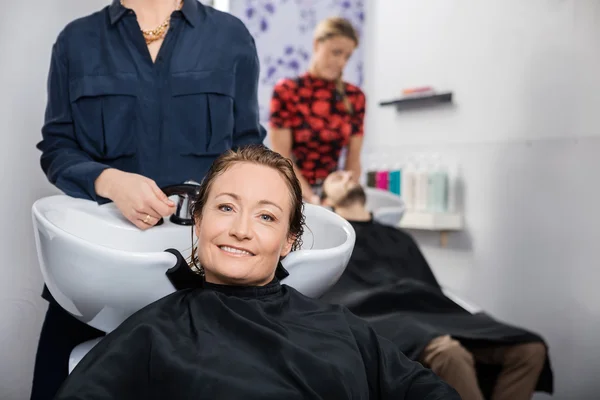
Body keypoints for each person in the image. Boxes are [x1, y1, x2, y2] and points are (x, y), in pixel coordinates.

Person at [53, 145, 459, 399]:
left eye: (266, 216)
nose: (241, 230)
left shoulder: (341, 328)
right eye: (226, 207)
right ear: (198, 220)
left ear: (288, 240)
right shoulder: (153, 333)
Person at [32, 1, 266, 398]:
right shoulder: (75, 41)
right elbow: (57, 149)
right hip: (97, 271)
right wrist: (109, 180)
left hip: (204, 271)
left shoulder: (230, 36)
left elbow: (250, 152)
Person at [318, 171, 555, 400]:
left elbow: (428, 285)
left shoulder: (399, 236)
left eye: (350, 175)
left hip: (431, 310)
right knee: (449, 354)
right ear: (325, 200)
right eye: (338, 178)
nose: (348, 176)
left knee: (529, 348)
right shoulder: (332, 242)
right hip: (376, 315)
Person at [269, 17, 365, 205]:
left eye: (347, 56)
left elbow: (353, 159)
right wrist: (311, 198)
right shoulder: (287, 91)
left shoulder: (355, 97)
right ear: (316, 45)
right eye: (336, 52)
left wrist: (343, 196)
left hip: (333, 197)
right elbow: (282, 157)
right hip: (291, 193)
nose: (341, 62)